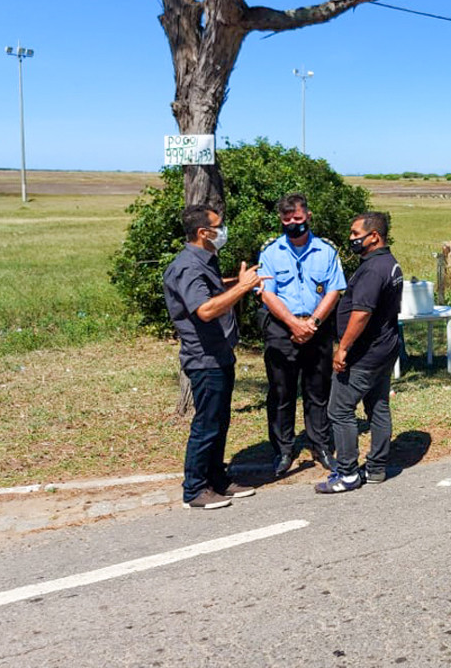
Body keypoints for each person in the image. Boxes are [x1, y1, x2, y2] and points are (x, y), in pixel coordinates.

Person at [162, 204, 263, 510]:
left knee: (219, 422)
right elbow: (204, 310)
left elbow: (211, 293)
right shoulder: (188, 266)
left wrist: (236, 283)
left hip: (219, 354)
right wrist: (243, 288)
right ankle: (194, 489)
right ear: (203, 233)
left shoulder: (204, 260)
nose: (223, 231)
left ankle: (216, 480)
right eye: (219, 226)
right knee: (206, 424)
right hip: (204, 359)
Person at [257, 193, 347, 477]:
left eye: (297, 218)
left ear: (307, 216)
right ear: (280, 220)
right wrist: (293, 324)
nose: (292, 224)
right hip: (281, 329)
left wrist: (313, 322)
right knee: (281, 392)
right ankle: (283, 449)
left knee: (317, 391)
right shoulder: (270, 251)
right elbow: (266, 293)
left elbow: (335, 289)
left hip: (317, 328)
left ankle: (319, 444)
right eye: (286, 220)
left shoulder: (326, 250)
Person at [317, 211, 404, 493]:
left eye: (356, 234)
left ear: (374, 236)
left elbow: (361, 314)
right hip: (385, 349)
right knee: (378, 406)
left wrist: (343, 349)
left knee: (340, 410)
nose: (352, 239)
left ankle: (347, 473)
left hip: (365, 353)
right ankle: (377, 467)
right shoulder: (390, 263)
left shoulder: (372, 269)